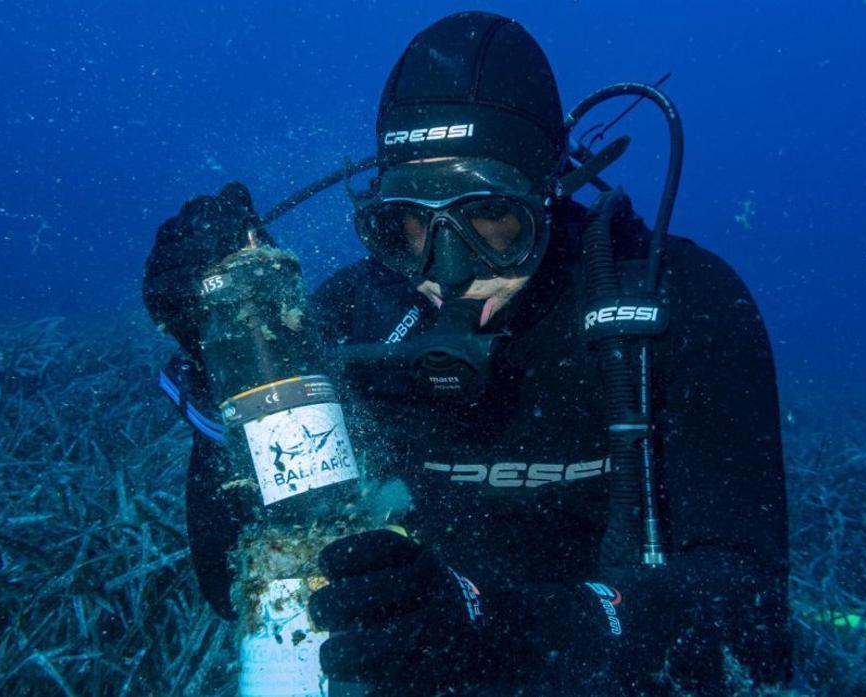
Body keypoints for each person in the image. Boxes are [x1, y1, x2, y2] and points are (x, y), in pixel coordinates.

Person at [143, 11, 791, 696]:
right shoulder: (354, 316)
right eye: (410, 226)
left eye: (492, 219)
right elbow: (232, 581)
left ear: (552, 189)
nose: (447, 271)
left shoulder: (676, 308)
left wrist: (505, 629)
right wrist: (232, 354)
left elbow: (750, 621)